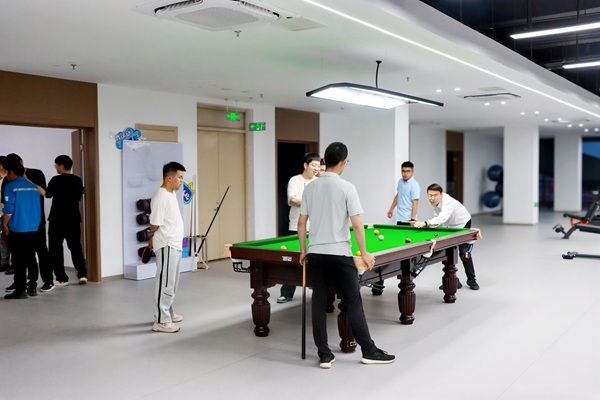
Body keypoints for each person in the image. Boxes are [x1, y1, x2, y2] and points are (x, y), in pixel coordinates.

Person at [298, 142, 395, 369]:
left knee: (319, 302)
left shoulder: (310, 188)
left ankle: (324, 355)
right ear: (343, 162)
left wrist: (303, 250)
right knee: (352, 302)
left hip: (316, 254)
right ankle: (368, 351)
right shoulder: (347, 187)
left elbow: (301, 223)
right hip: (340, 254)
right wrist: (365, 252)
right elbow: (357, 225)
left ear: (324, 160)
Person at [414, 183, 480, 290]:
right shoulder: (434, 202)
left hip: (463, 223)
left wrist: (425, 223)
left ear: (441, 194)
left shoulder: (447, 202)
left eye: (435, 195)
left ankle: (472, 280)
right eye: (430, 195)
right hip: (450, 226)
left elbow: (442, 218)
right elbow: (437, 218)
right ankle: (454, 280)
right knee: (449, 252)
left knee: (464, 253)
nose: (432, 198)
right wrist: (431, 229)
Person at [3, 154, 50, 295]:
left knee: (18, 259)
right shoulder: (34, 188)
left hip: (17, 227)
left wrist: (5, 225)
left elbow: (9, 208)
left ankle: (20, 288)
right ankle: (32, 285)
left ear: (11, 172)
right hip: (33, 226)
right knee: (30, 257)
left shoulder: (11, 186)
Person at [277, 152, 321, 304]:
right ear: (305, 165)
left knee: (316, 261)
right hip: (296, 226)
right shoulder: (295, 180)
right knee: (293, 260)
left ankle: (318, 292)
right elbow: (293, 200)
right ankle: (286, 293)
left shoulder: (319, 182)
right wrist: (311, 200)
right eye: (313, 165)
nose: (316, 169)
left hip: (316, 227)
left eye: (318, 166)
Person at [149, 161, 186, 333]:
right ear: (169, 178)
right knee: (165, 283)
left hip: (175, 244)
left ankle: (168, 313)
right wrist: (154, 238)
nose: (181, 181)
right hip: (167, 244)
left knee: (171, 283)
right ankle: (161, 321)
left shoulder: (171, 194)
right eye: (179, 177)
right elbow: (154, 225)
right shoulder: (161, 195)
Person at [373, 161, 421, 295]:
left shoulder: (415, 185)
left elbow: (415, 203)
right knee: (396, 248)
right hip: (399, 220)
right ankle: (378, 284)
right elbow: (398, 195)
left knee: (406, 250)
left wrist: (412, 220)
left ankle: (408, 275)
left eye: (408, 171)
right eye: (403, 171)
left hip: (408, 222)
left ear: (412, 172)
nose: (405, 174)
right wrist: (391, 208)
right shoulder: (400, 182)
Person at [45, 155, 86, 287]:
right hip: (73, 218)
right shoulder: (78, 180)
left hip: (57, 219)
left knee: (55, 249)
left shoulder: (55, 180)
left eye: (56, 165)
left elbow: (47, 194)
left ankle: (62, 278)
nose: (56, 167)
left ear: (62, 166)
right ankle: (82, 274)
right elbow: (78, 197)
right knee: (75, 247)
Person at [0, 156, 11, 274]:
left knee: (7, 238)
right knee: (2, 240)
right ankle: (3, 262)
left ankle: (6, 263)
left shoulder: (8, 178)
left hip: (6, 211)